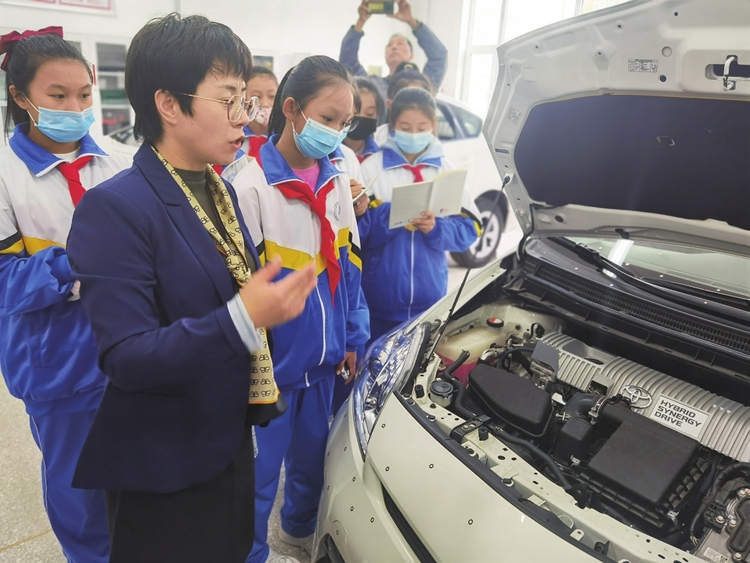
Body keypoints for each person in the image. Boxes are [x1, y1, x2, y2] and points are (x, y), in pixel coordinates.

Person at [65, 14, 317, 563]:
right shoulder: (117, 208)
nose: (244, 119)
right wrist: (243, 317)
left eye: (247, 102)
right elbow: (126, 357)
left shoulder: (218, 191)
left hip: (225, 438)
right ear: (170, 105)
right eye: (228, 101)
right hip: (163, 465)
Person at [229, 55, 369, 563]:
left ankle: (300, 533)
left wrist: (354, 337)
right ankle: (249, 553)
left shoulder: (336, 179)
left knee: (312, 464)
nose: (336, 132)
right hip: (272, 369)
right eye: (328, 119)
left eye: (345, 122)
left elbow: (348, 269)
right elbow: (239, 288)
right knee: (258, 476)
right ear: (291, 109)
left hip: (325, 364)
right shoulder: (249, 187)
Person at [0, 27, 129, 563]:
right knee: (80, 497)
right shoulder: (6, 175)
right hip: (57, 363)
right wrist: (75, 263)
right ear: (21, 96)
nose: (75, 107)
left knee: (135, 486)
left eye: (83, 94)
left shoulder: (121, 162)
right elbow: (6, 282)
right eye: (58, 96)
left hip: (131, 353)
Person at [359, 87, 481, 343]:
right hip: (380, 303)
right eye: (405, 127)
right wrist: (394, 215)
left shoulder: (446, 171)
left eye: (421, 127)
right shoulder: (371, 169)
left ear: (434, 125)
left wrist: (436, 229)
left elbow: (471, 228)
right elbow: (358, 234)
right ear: (392, 125)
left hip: (430, 302)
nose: (413, 134)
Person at [339, 0, 448, 101]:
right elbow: (348, 62)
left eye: (400, 44)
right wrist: (361, 21)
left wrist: (411, 21)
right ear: (385, 56)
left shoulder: (423, 84)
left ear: (411, 55)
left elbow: (439, 57)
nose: (394, 47)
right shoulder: (373, 86)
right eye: (389, 45)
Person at [220, 66, 278, 183]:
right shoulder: (232, 135)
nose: (265, 104)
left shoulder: (281, 140)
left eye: (272, 97)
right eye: (257, 97)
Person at [342, 76, 383, 163]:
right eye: (355, 112)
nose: (361, 118)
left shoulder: (380, 156)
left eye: (369, 113)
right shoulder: (328, 153)